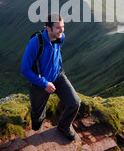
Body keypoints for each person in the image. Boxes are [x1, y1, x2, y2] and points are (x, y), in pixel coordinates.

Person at [21, 13, 80, 141]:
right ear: (48, 28)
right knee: (38, 116)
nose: (62, 30)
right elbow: (25, 69)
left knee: (74, 103)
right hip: (39, 82)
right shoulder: (35, 43)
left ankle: (63, 127)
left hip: (57, 75)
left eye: (63, 26)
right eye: (58, 28)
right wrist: (44, 84)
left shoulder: (61, 37)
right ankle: (36, 133)